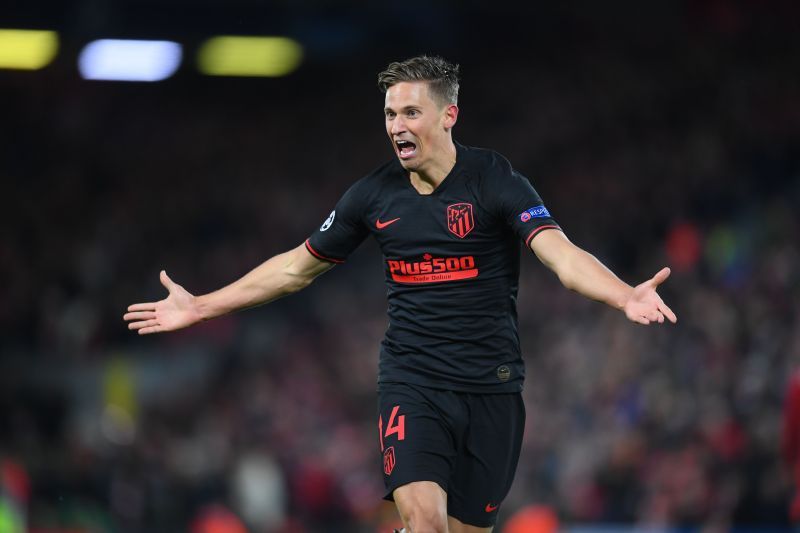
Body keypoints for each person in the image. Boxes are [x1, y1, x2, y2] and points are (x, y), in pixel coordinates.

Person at [124, 55, 677, 533]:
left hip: (492, 388)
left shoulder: (496, 181)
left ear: (448, 115)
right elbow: (295, 268)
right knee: (425, 519)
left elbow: (561, 255)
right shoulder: (373, 194)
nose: (396, 125)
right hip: (413, 382)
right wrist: (201, 306)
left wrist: (624, 295)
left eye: (410, 111)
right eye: (390, 113)